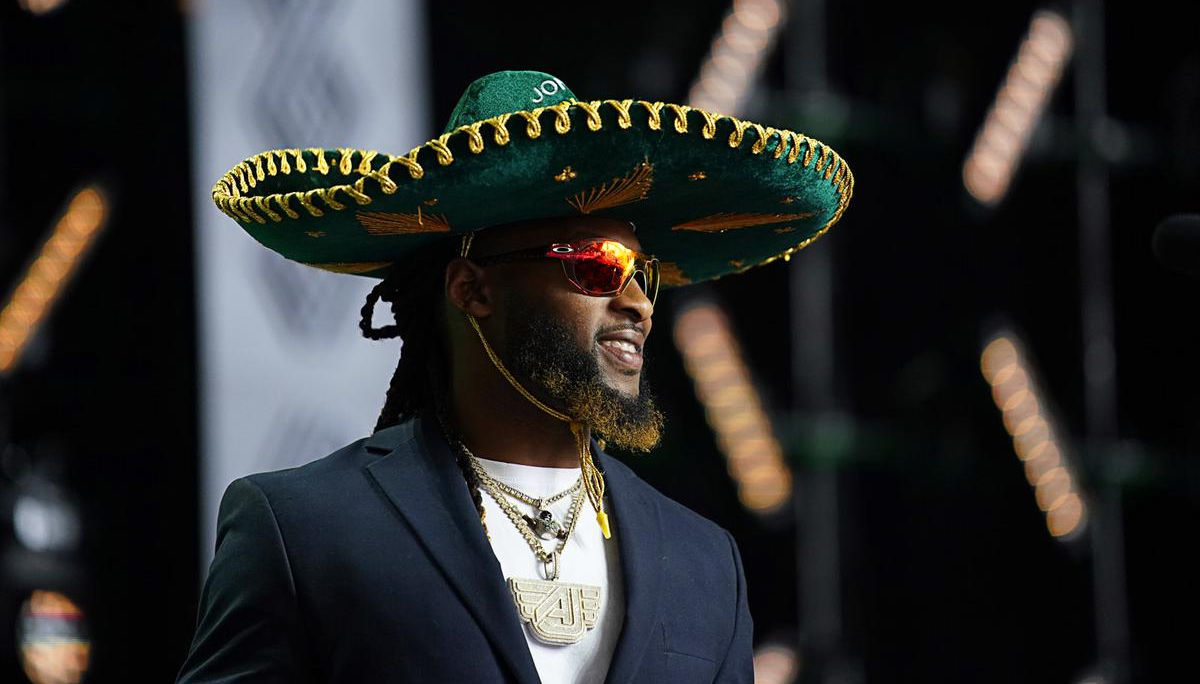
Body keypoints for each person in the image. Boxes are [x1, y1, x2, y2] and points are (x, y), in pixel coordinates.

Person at [178, 70, 853, 683]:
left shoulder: (704, 561)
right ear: (473, 290)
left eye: (644, 274)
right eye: (595, 265)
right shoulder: (304, 529)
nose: (639, 301)